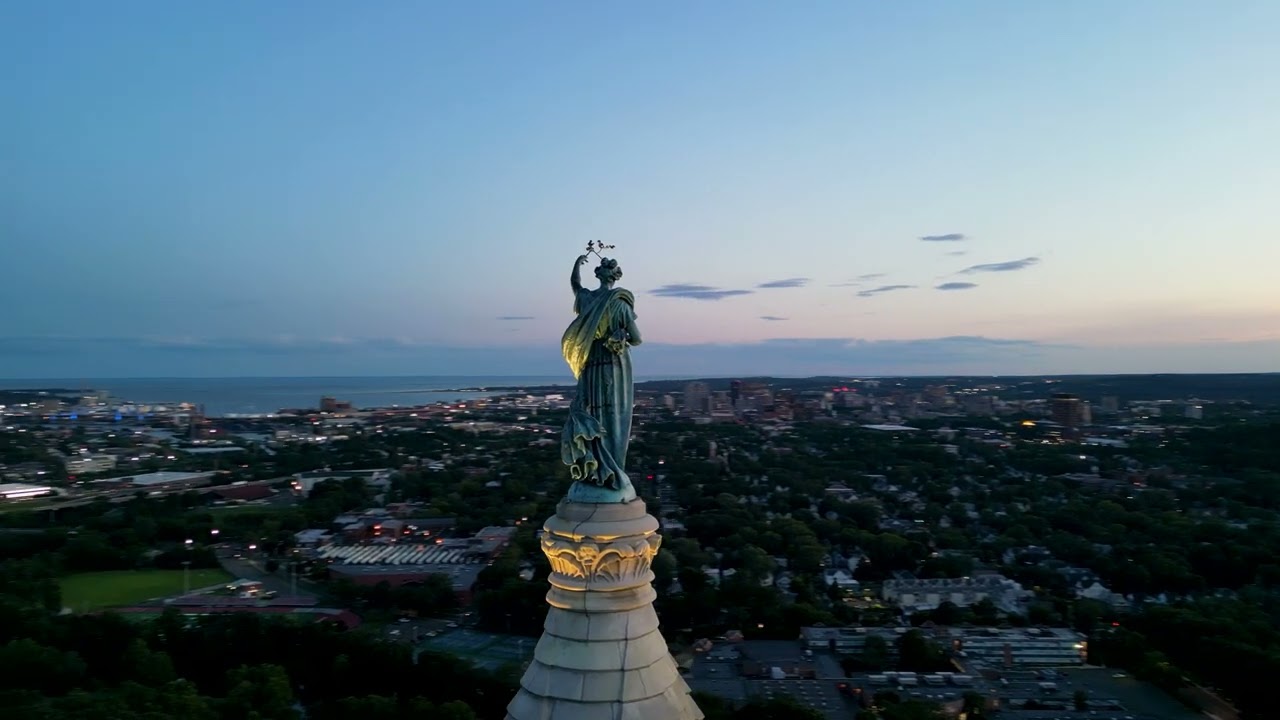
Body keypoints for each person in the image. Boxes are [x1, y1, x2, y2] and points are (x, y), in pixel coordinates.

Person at [560, 253, 642, 502]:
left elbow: (575, 284)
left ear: (598, 274)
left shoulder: (587, 298)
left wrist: (576, 263)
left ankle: (595, 469)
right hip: (612, 365)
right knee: (612, 415)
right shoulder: (620, 304)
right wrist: (619, 338)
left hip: (591, 362)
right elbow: (636, 339)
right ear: (615, 277)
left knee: (589, 410)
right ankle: (611, 469)